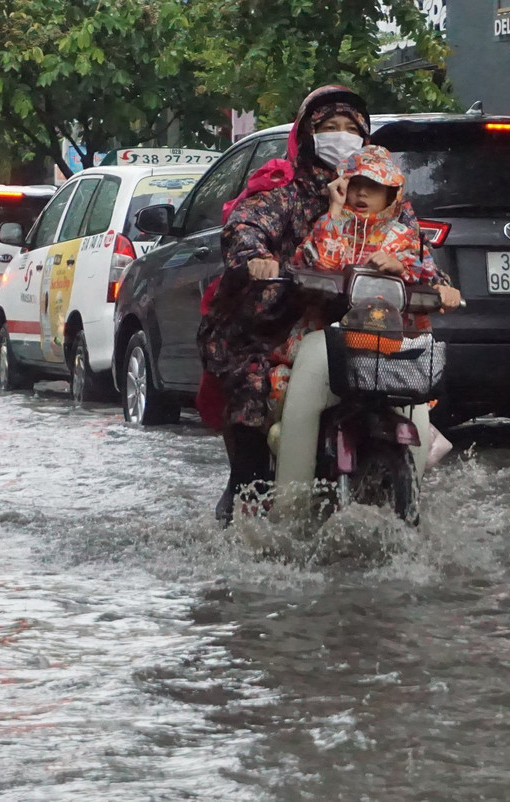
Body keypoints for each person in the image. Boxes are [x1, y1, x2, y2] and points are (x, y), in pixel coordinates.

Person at [198, 86, 461, 520]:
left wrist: (440, 286)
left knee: (419, 388)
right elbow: (247, 227)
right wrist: (257, 259)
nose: (340, 137)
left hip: (373, 324)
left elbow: (419, 260)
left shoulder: (396, 209)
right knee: (253, 385)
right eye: (328, 128)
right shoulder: (283, 190)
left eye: (350, 129)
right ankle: (248, 493)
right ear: (306, 134)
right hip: (287, 320)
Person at [267, 144, 428, 418]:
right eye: (356, 184)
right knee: (282, 388)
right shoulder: (330, 223)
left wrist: (399, 266)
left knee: (417, 405)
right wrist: (335, 208)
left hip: (386, 337)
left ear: (392, 193)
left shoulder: (403, 236)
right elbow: (321, 263)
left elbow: (426, 272)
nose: (363, 193)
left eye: (374, 186)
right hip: (324, 332)